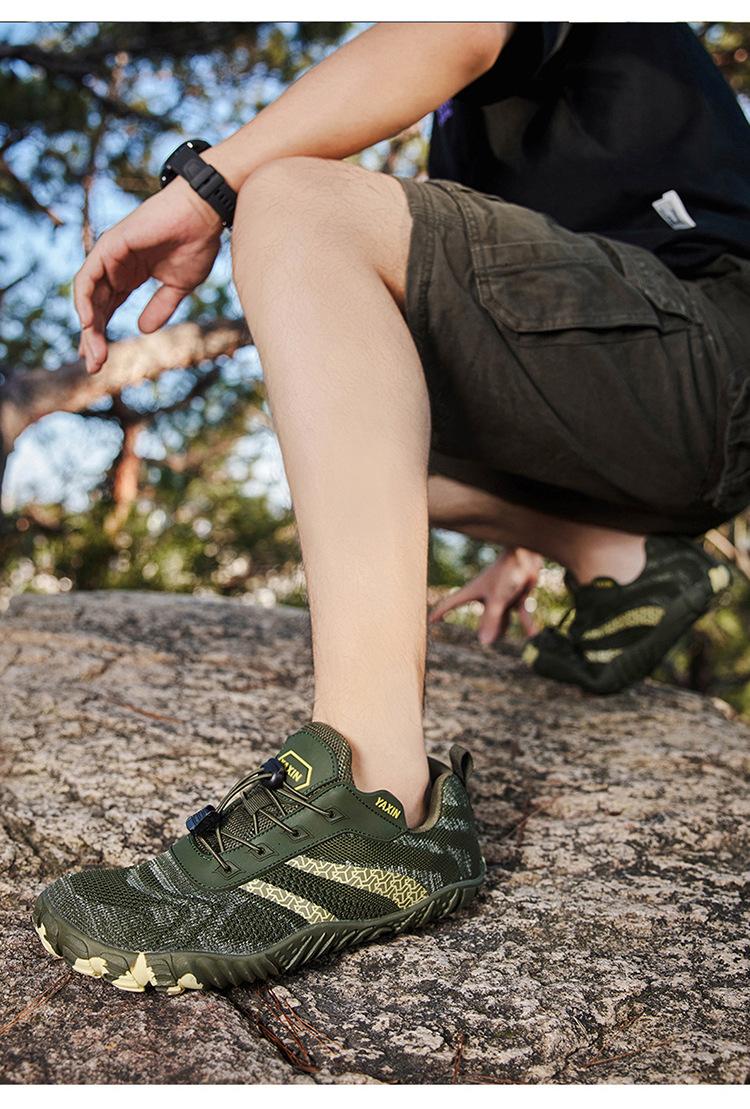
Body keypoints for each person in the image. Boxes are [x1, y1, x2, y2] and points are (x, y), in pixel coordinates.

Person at [33, 23, 750, 993]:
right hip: (643, 410)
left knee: (294, 203)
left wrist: (208, 183)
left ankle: (375, 794)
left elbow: (455, 31)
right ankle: (618, 555)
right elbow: (532, 324)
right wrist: (526, 548)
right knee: (347, 404)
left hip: (714, 350)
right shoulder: (474, 138)